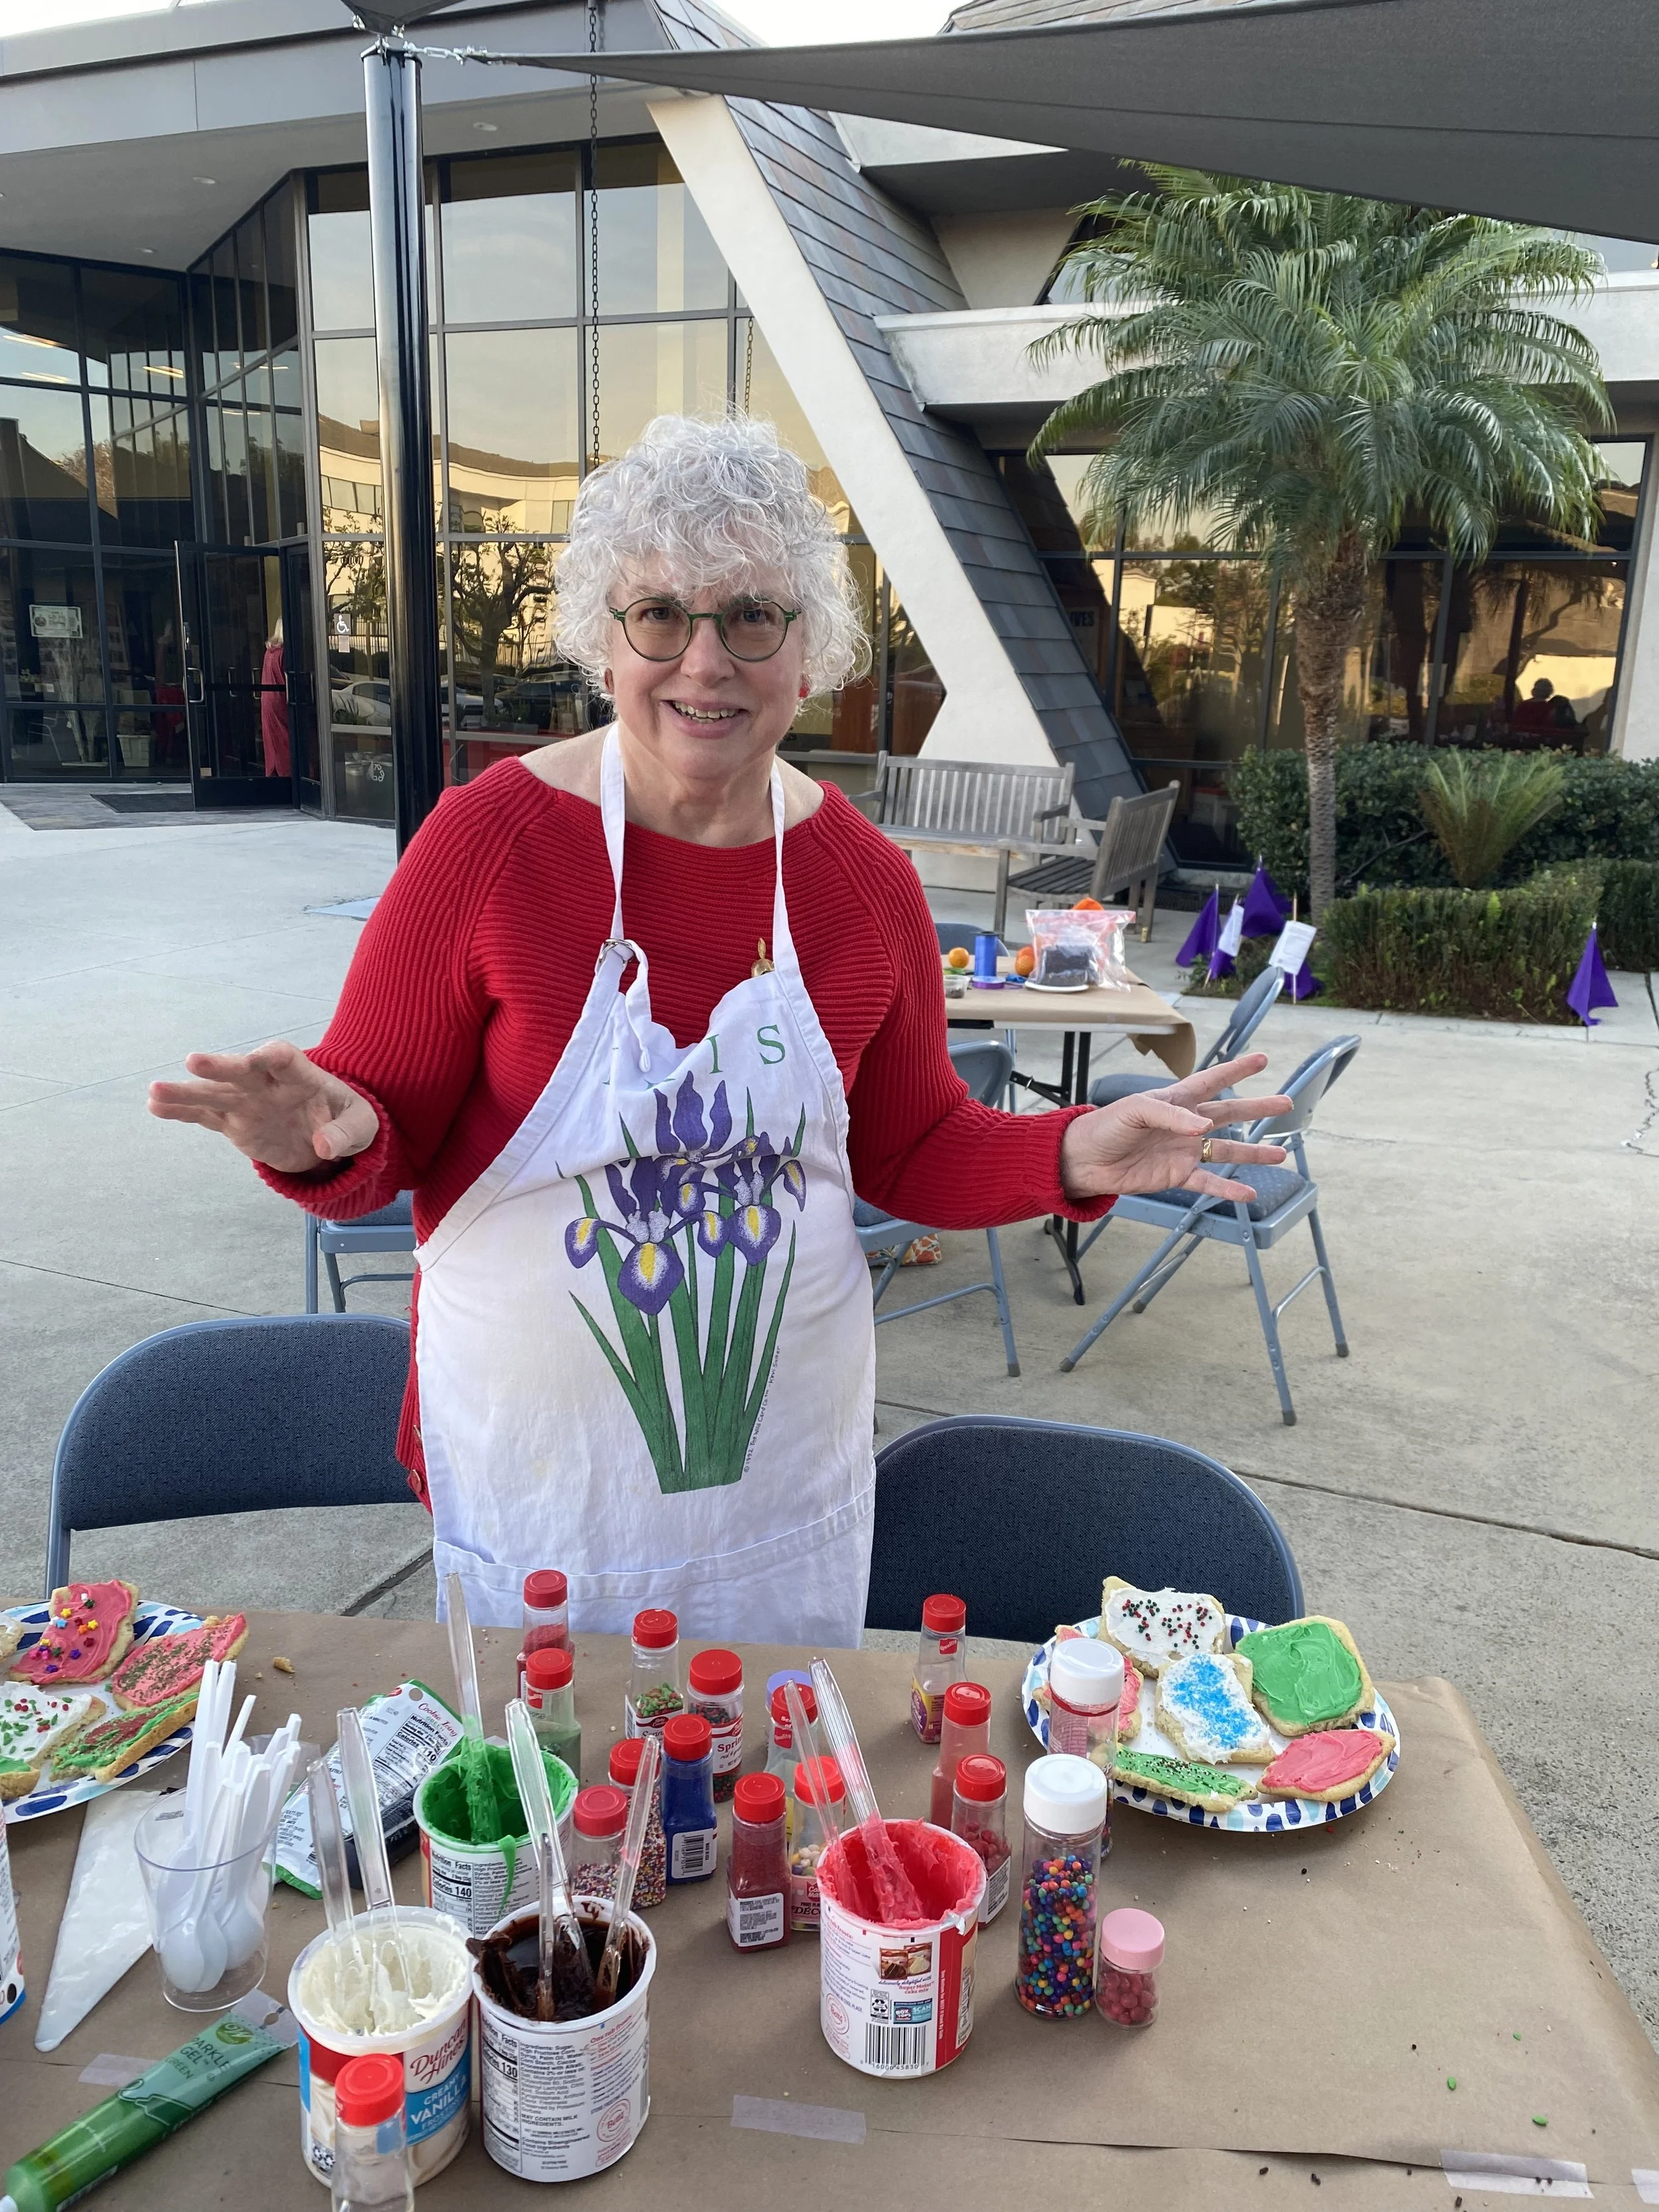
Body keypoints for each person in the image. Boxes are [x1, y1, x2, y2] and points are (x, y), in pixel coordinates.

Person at [147, 415, 1289, 1642]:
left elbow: (907, 1148)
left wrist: (1066, 1153)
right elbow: (381, 1124)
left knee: (768, 1807)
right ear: (604, 640)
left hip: (777, 1489)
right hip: (542, 1485)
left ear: (812, 655)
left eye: (753, 616)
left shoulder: (864, 884)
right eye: (659, 615)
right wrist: (325, 1130)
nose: (706, 661)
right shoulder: (488, 846)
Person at [260, 617, 291, 780]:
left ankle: (274, 772)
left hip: (267, 699)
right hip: (281, 698)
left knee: (272, 739)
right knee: (286, 737)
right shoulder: (285, 653)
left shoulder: (270, 651)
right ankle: (287, 773)